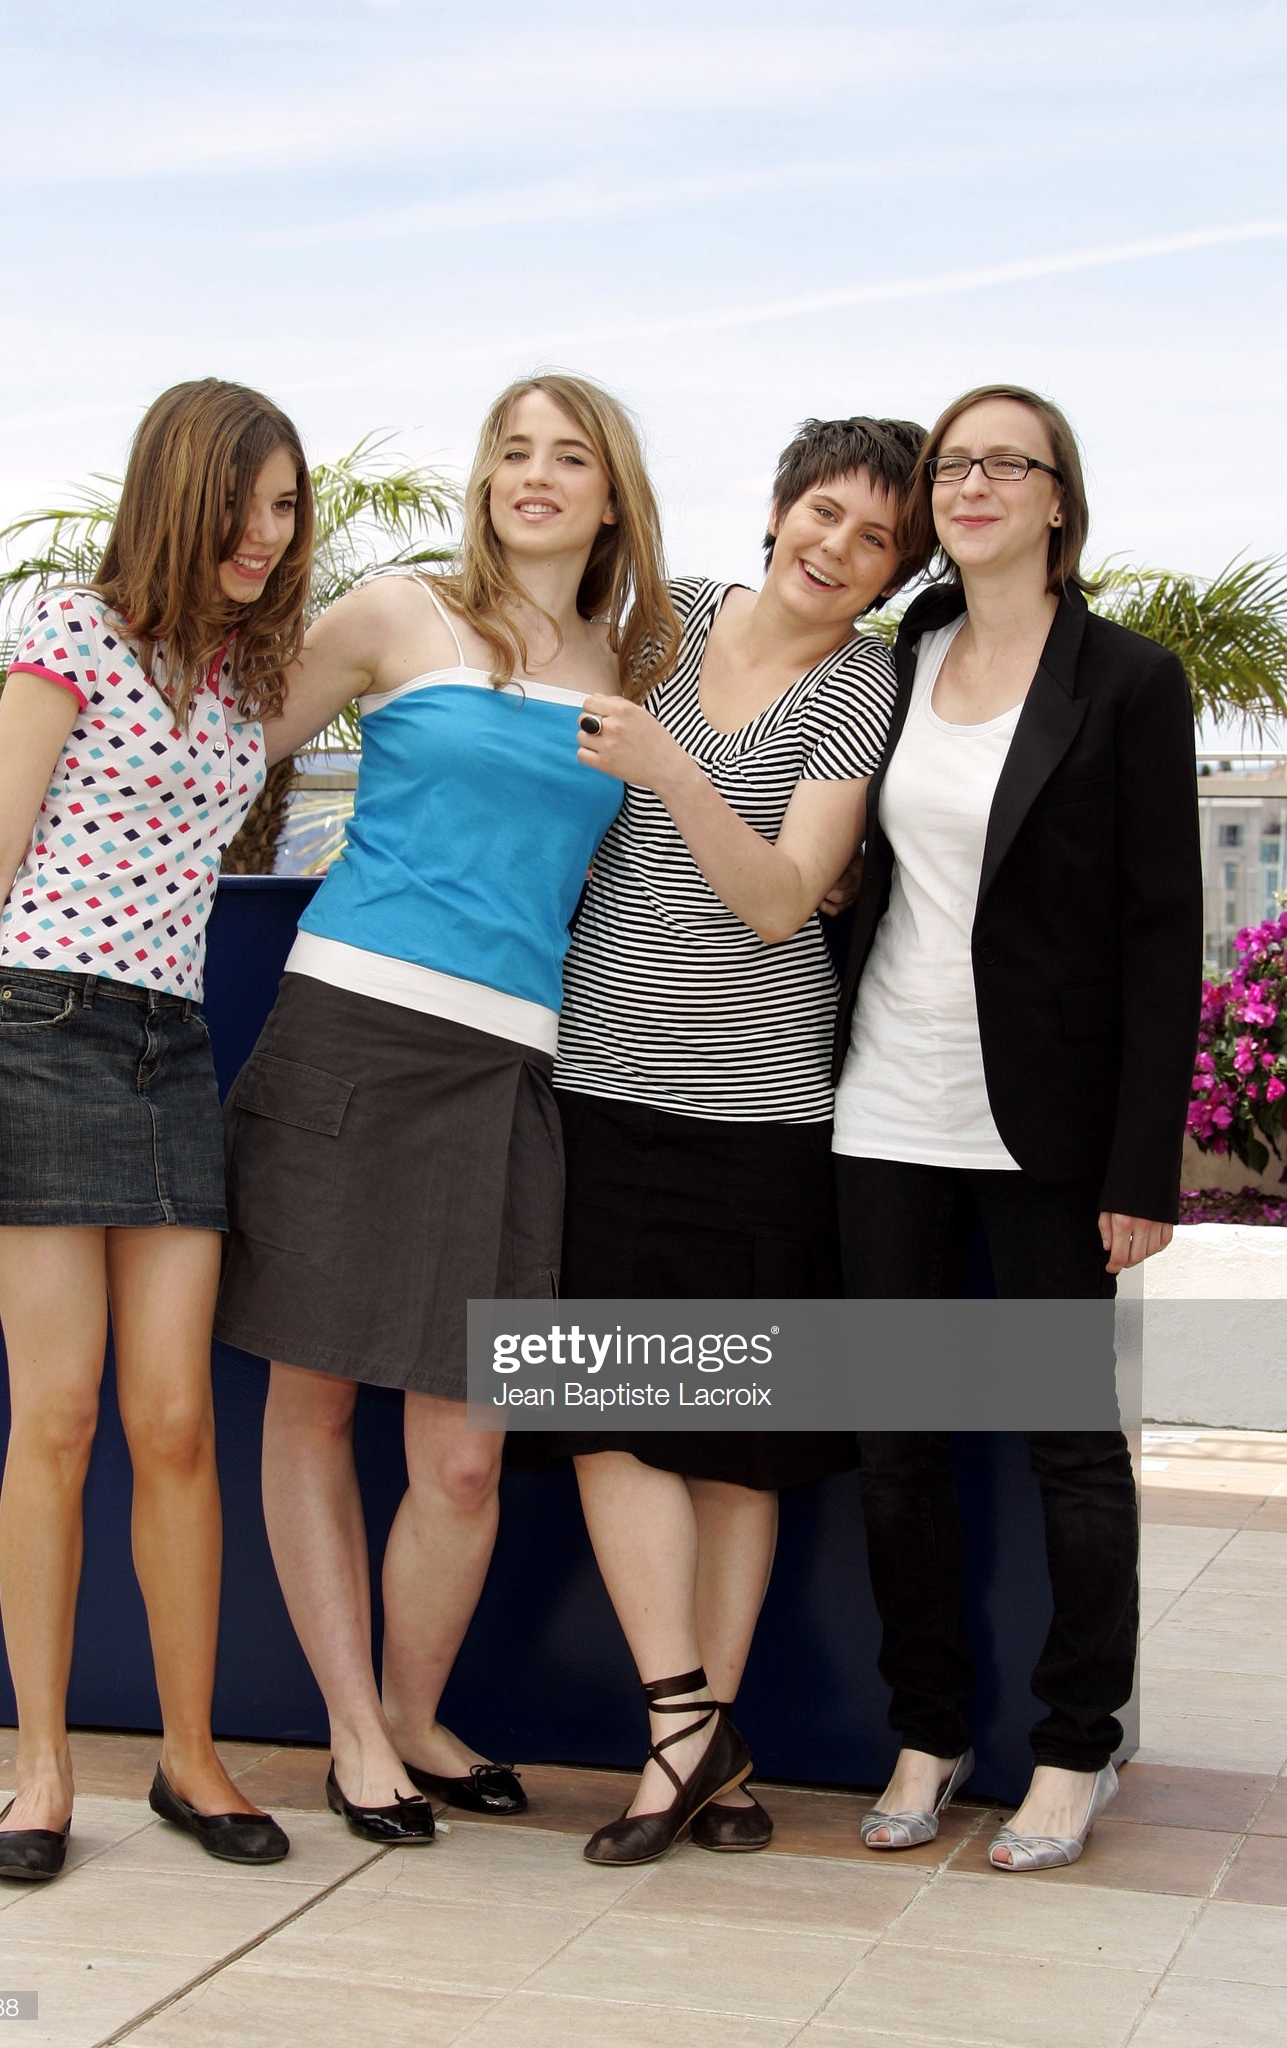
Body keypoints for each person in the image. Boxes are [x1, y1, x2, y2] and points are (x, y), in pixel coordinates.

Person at [212, 373, 680, 1844]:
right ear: (484, 479)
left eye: (569, 457)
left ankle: (413, 1713)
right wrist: (20, 850)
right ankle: (357, 1731)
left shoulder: (641, 663)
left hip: (509, 1069)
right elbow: (214, 757)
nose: (535, 475)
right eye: (512, 451)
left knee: (466, 1450)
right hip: (349, 1030)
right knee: (312, 1399)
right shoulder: (396, 613)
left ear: (611, 495)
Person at [0, 379, 312, 1881]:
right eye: (244, 506)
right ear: (177, 495)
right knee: (60, 1418)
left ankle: (190, 1761)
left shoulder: (250, 673)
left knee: (178, 1422)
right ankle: (40, 1771)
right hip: (39, 1033)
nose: (267, 536)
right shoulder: (69, 634)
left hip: (172, 1048)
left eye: (286, 509)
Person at [517, 417, 928, 1865]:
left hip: (764, 1114)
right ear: (777, 507)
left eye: (875, 540)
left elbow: (782, 898)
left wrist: (673, 769)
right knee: (610, 1422)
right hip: (597, 1091)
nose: (837, 549)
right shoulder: (667, 619)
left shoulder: (861, 687)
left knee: (736, 1446)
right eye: (824, 513)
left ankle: (697, 1747)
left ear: (895, 573)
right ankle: (688, 1733)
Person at [831, 383, 1202, 1871]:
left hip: (1044, 1125)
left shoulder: (1128, 680)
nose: (974, 485)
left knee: (1068, 1447)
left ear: (1059, 497)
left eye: (1008, 463)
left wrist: (1140, 1162)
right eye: (953, 464)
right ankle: (928, 1731)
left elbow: (1162, 935)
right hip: (883, 1103)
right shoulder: (900, 654)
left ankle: (1074, 1744)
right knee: (896, 1448)